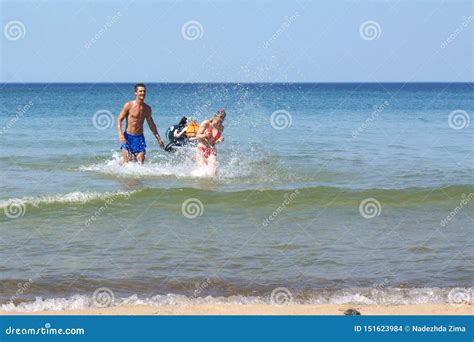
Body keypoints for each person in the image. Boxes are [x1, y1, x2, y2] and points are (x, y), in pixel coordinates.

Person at [116, 83, 165, 164]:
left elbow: (151, 124)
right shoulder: (129, 105)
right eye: (140, 91)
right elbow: (119, 120)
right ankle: (118, 164)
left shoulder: (147, 108)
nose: (143, 93)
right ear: (136, 93)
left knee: (140, 161)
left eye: (144, 91)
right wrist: (120, 135)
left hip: (139, 138)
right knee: (127, 162)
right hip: (128, 137)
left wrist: (158, 138)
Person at [195, 109, 226, 176]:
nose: (221, 120)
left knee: (213, 172)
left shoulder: (221, 128)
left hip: (212, 149)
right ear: (215, 116)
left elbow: (214, 142)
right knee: (203, 172)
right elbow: (197, 136)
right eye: (220, 117)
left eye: (223, 118)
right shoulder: (206, 123)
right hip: (201, 148)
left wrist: (219, 140)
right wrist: (205, 135)